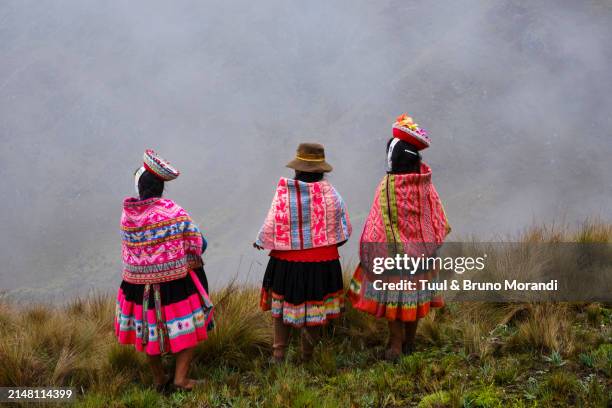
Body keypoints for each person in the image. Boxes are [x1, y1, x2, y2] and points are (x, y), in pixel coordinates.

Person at [348, 114, 451, 361]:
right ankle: (410, 341)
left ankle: (395, 344)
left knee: (395, 304)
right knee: (414, 301)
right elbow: (435, 214)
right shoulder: (425, 183)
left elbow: (377, 222)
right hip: (421, 258)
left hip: (392, 259)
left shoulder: (386, 186)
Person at [115, 149, 214, 391]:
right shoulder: (173, 212)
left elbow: (130, 249)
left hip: (138, 288)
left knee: (147, 332)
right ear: (161, 187)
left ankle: (160, 379)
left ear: (139, 189)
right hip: (174, 285)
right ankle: (181, 379)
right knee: (190, 326)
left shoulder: (127, 216)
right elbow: (198, 244)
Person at [254, 143, 352, 363]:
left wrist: (264, 240)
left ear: (297, 170)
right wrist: (324, 242)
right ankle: (307, 356)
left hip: (287, 261)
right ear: (321, 172)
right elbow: (343, 230)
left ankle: (278, 354)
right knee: (315, 311)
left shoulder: (285, 192)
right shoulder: (331, 194)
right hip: (322, 261)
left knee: (281, 307)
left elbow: (273, 223)